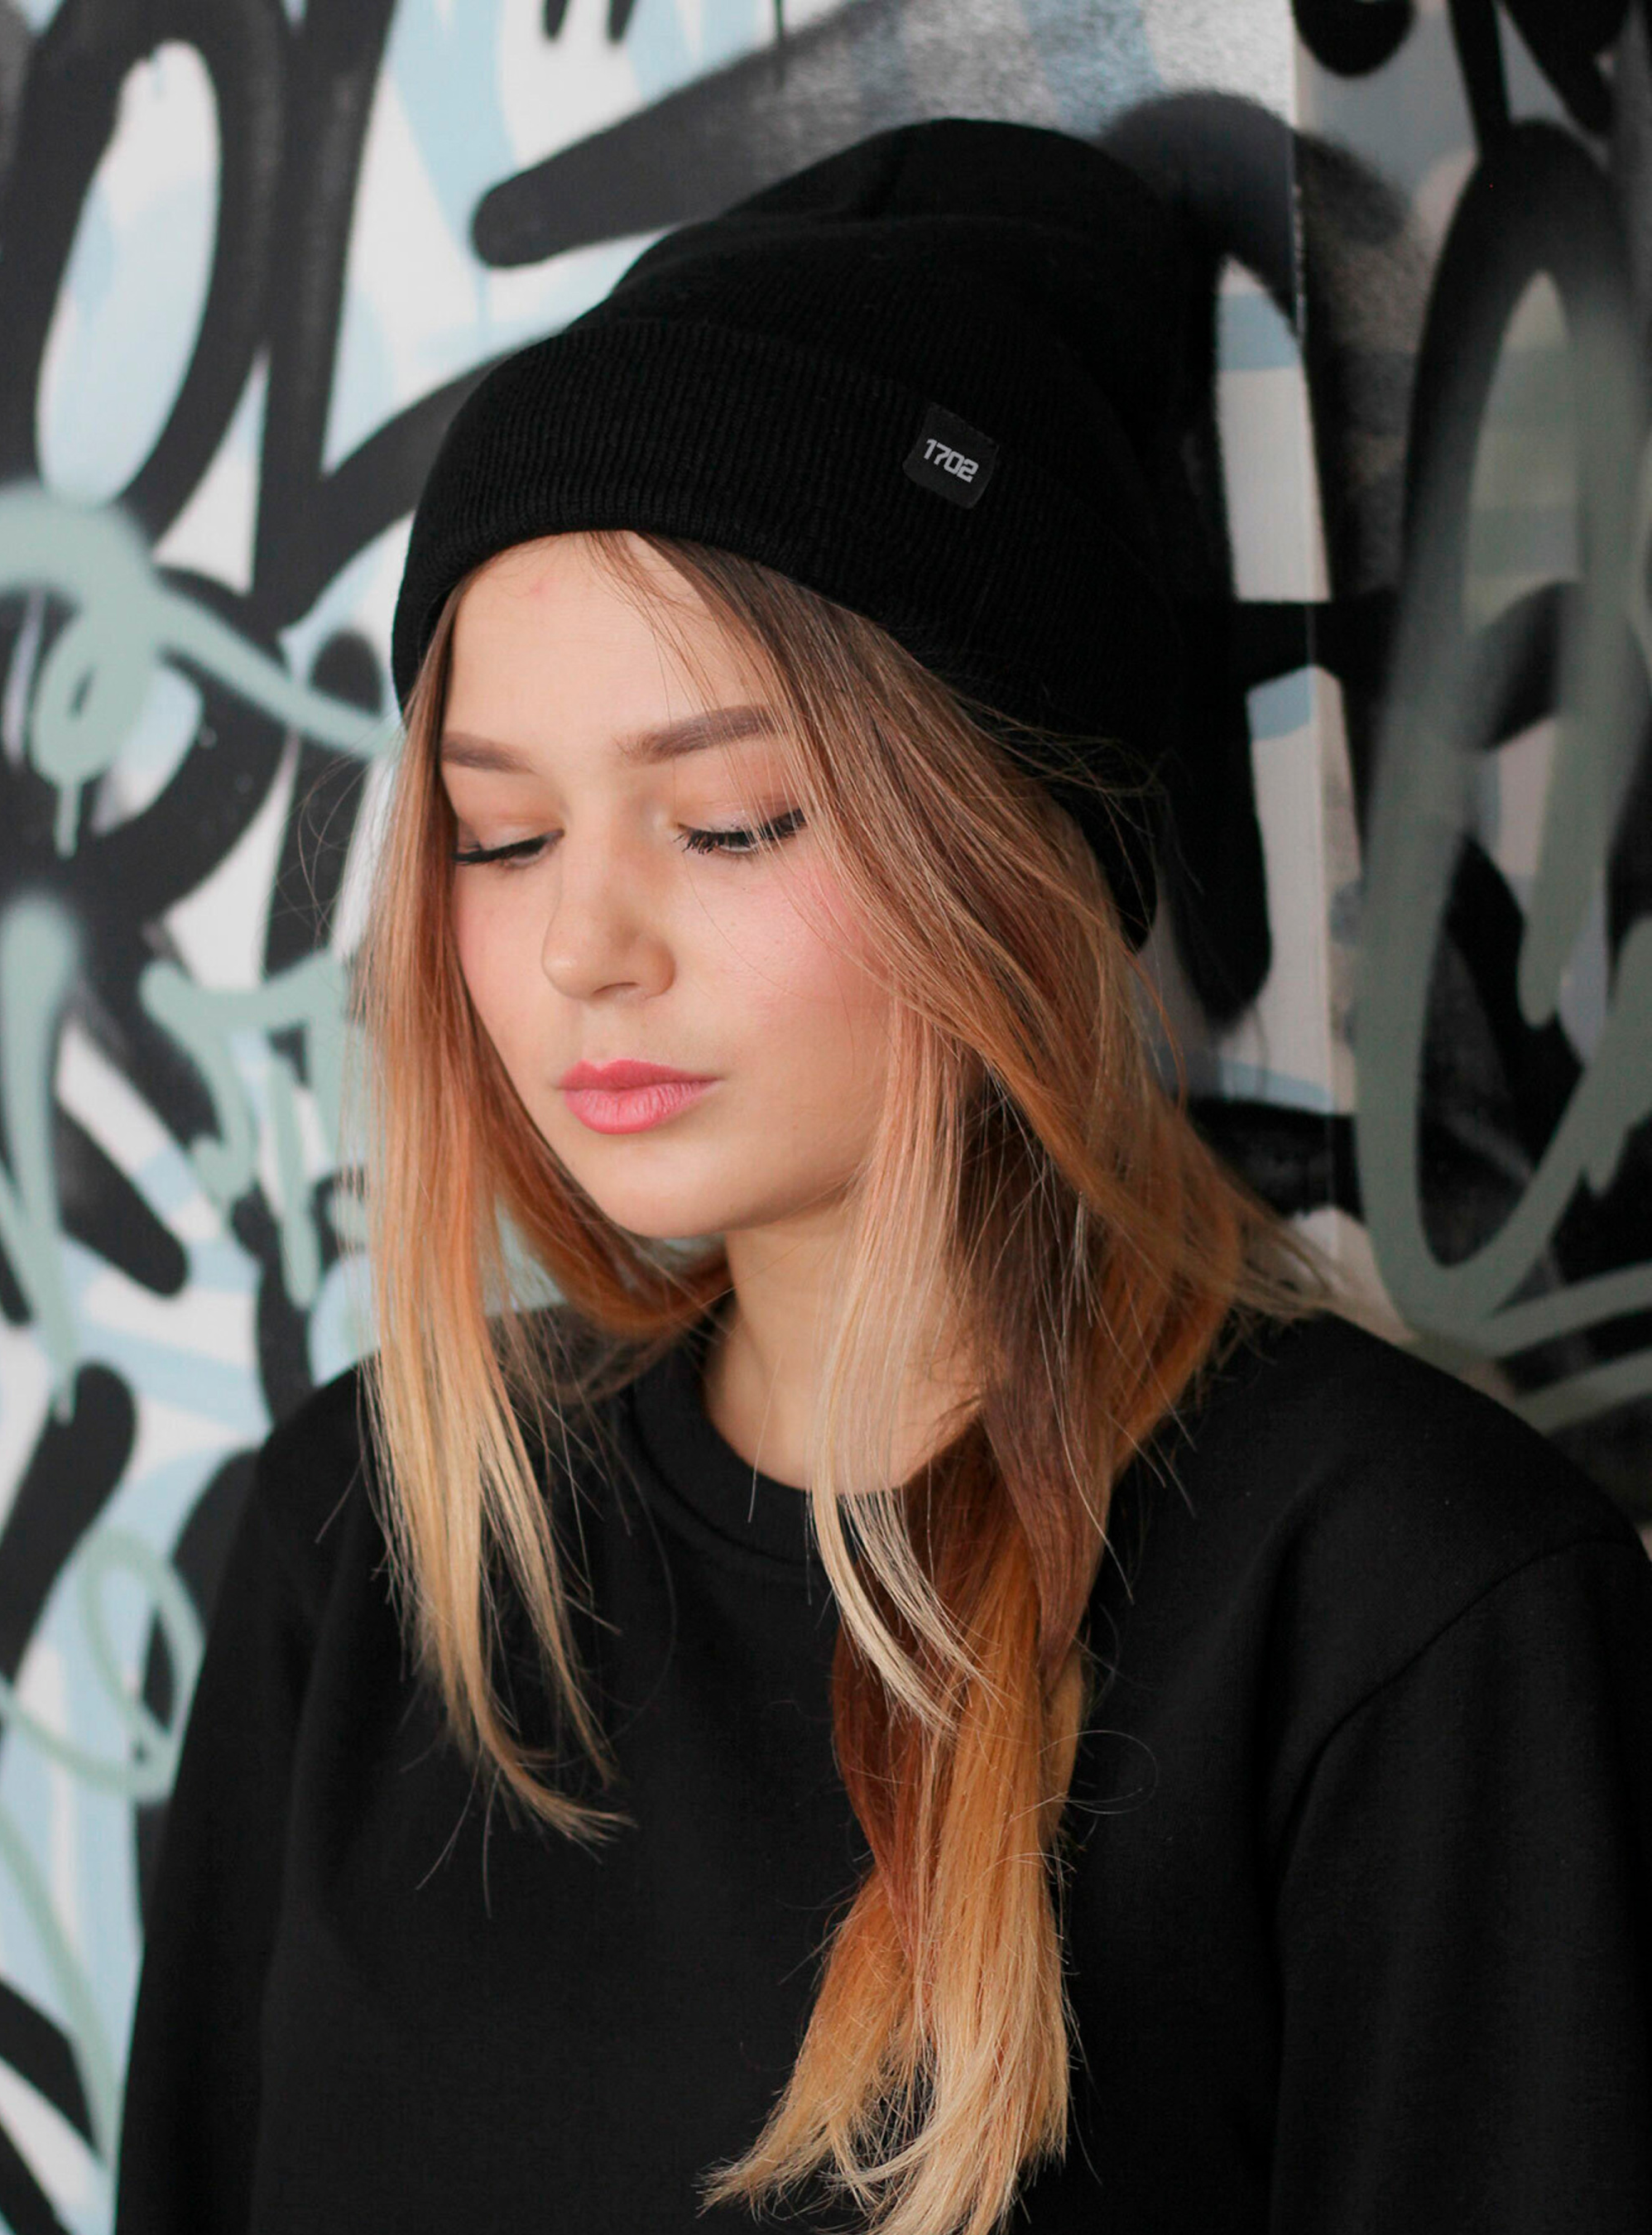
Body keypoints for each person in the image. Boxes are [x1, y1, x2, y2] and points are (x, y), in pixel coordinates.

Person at [113, 117, 1652, 2235]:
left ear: (1008, 848)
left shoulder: (1397, 1611)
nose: (582, 946)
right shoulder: (369, 1542)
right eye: (498, 832)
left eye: (729, 820)